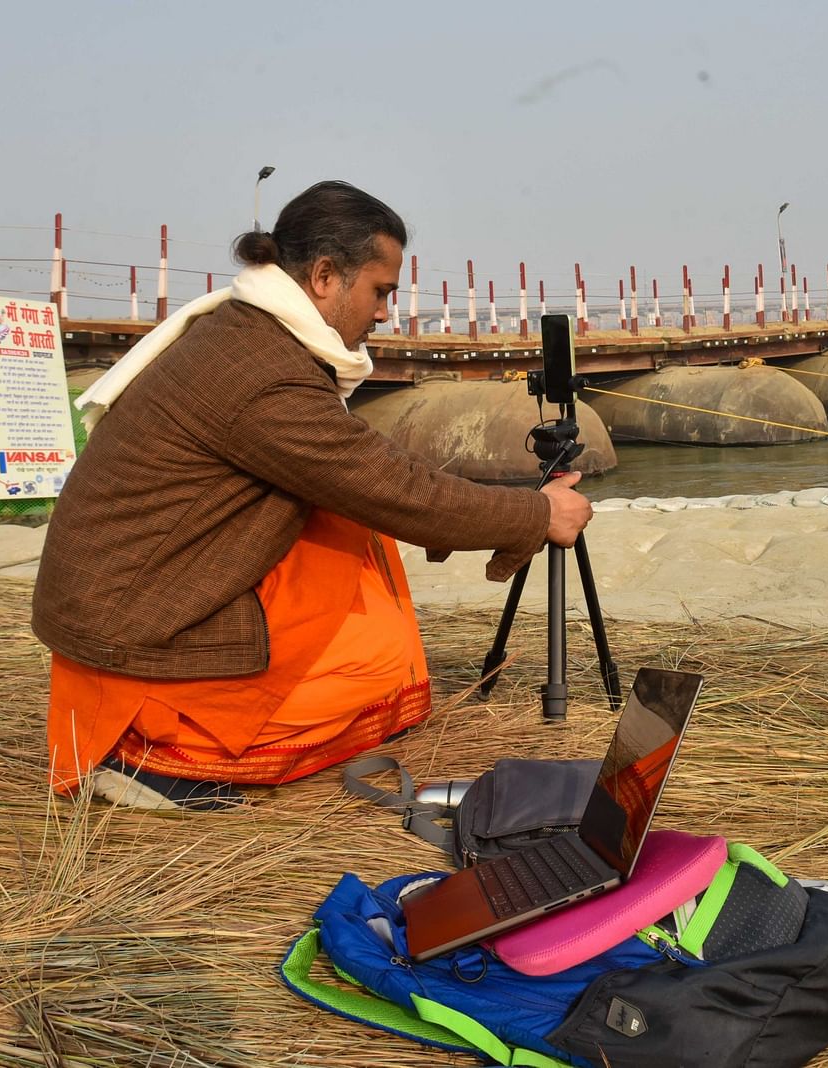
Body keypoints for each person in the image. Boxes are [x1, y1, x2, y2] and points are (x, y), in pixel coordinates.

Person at [32, 180, 593, 810]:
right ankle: (155, 756)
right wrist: (539, 512)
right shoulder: (260, 372)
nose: (385, 313)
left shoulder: (248, 336)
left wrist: (491, 510)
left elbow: (366, 468)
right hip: (138, 618)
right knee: (362, 647)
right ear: (325, 275)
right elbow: (391, 488)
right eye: (380, 291)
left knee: (354, 536)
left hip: (132, 593)